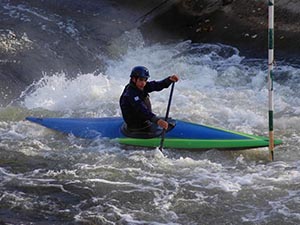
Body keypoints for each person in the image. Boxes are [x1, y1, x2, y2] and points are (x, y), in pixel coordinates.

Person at [119, 66, 179, 134]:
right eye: (141, 79)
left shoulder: (141, 86)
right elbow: (141, 109)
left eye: (145, 80)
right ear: (134, 79)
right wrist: (156, 120)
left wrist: (169, 80)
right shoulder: (130, 93)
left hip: (145, 121)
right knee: (142, 109)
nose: (143, 83)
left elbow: (156, 85)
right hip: (136, 126)